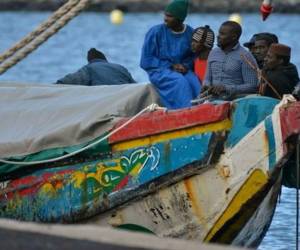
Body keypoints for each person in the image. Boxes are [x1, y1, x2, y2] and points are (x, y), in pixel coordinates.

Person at [140, 0, 200, 109]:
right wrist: (170, 65)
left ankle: (202, 112)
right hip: (159, 71)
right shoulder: (155, 32)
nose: (165, 18)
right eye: (165, 14)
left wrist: (185, 66)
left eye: (170, 16)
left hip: (183, 70)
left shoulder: (190, 33)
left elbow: (194, 56)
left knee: (194, 82)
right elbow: (146, 60)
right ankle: (185, 112)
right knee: (179, 82)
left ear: (180, 19)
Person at [202, 21, 258, 98]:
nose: (218, 36)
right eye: (219, 33)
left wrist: (226, 88)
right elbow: (207, 78)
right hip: (211, 99)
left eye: (222, 34)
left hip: (234, 101)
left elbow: (252, 86)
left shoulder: (245, 56)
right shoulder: (213, 53)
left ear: (234, 37)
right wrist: (206, 85)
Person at [56, 48, 135, 85]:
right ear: (105, 59)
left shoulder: (89, 68)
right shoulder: (120, 67)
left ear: (89, 61)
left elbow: (69, 80)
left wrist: (54, 85)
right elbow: (133, 85)